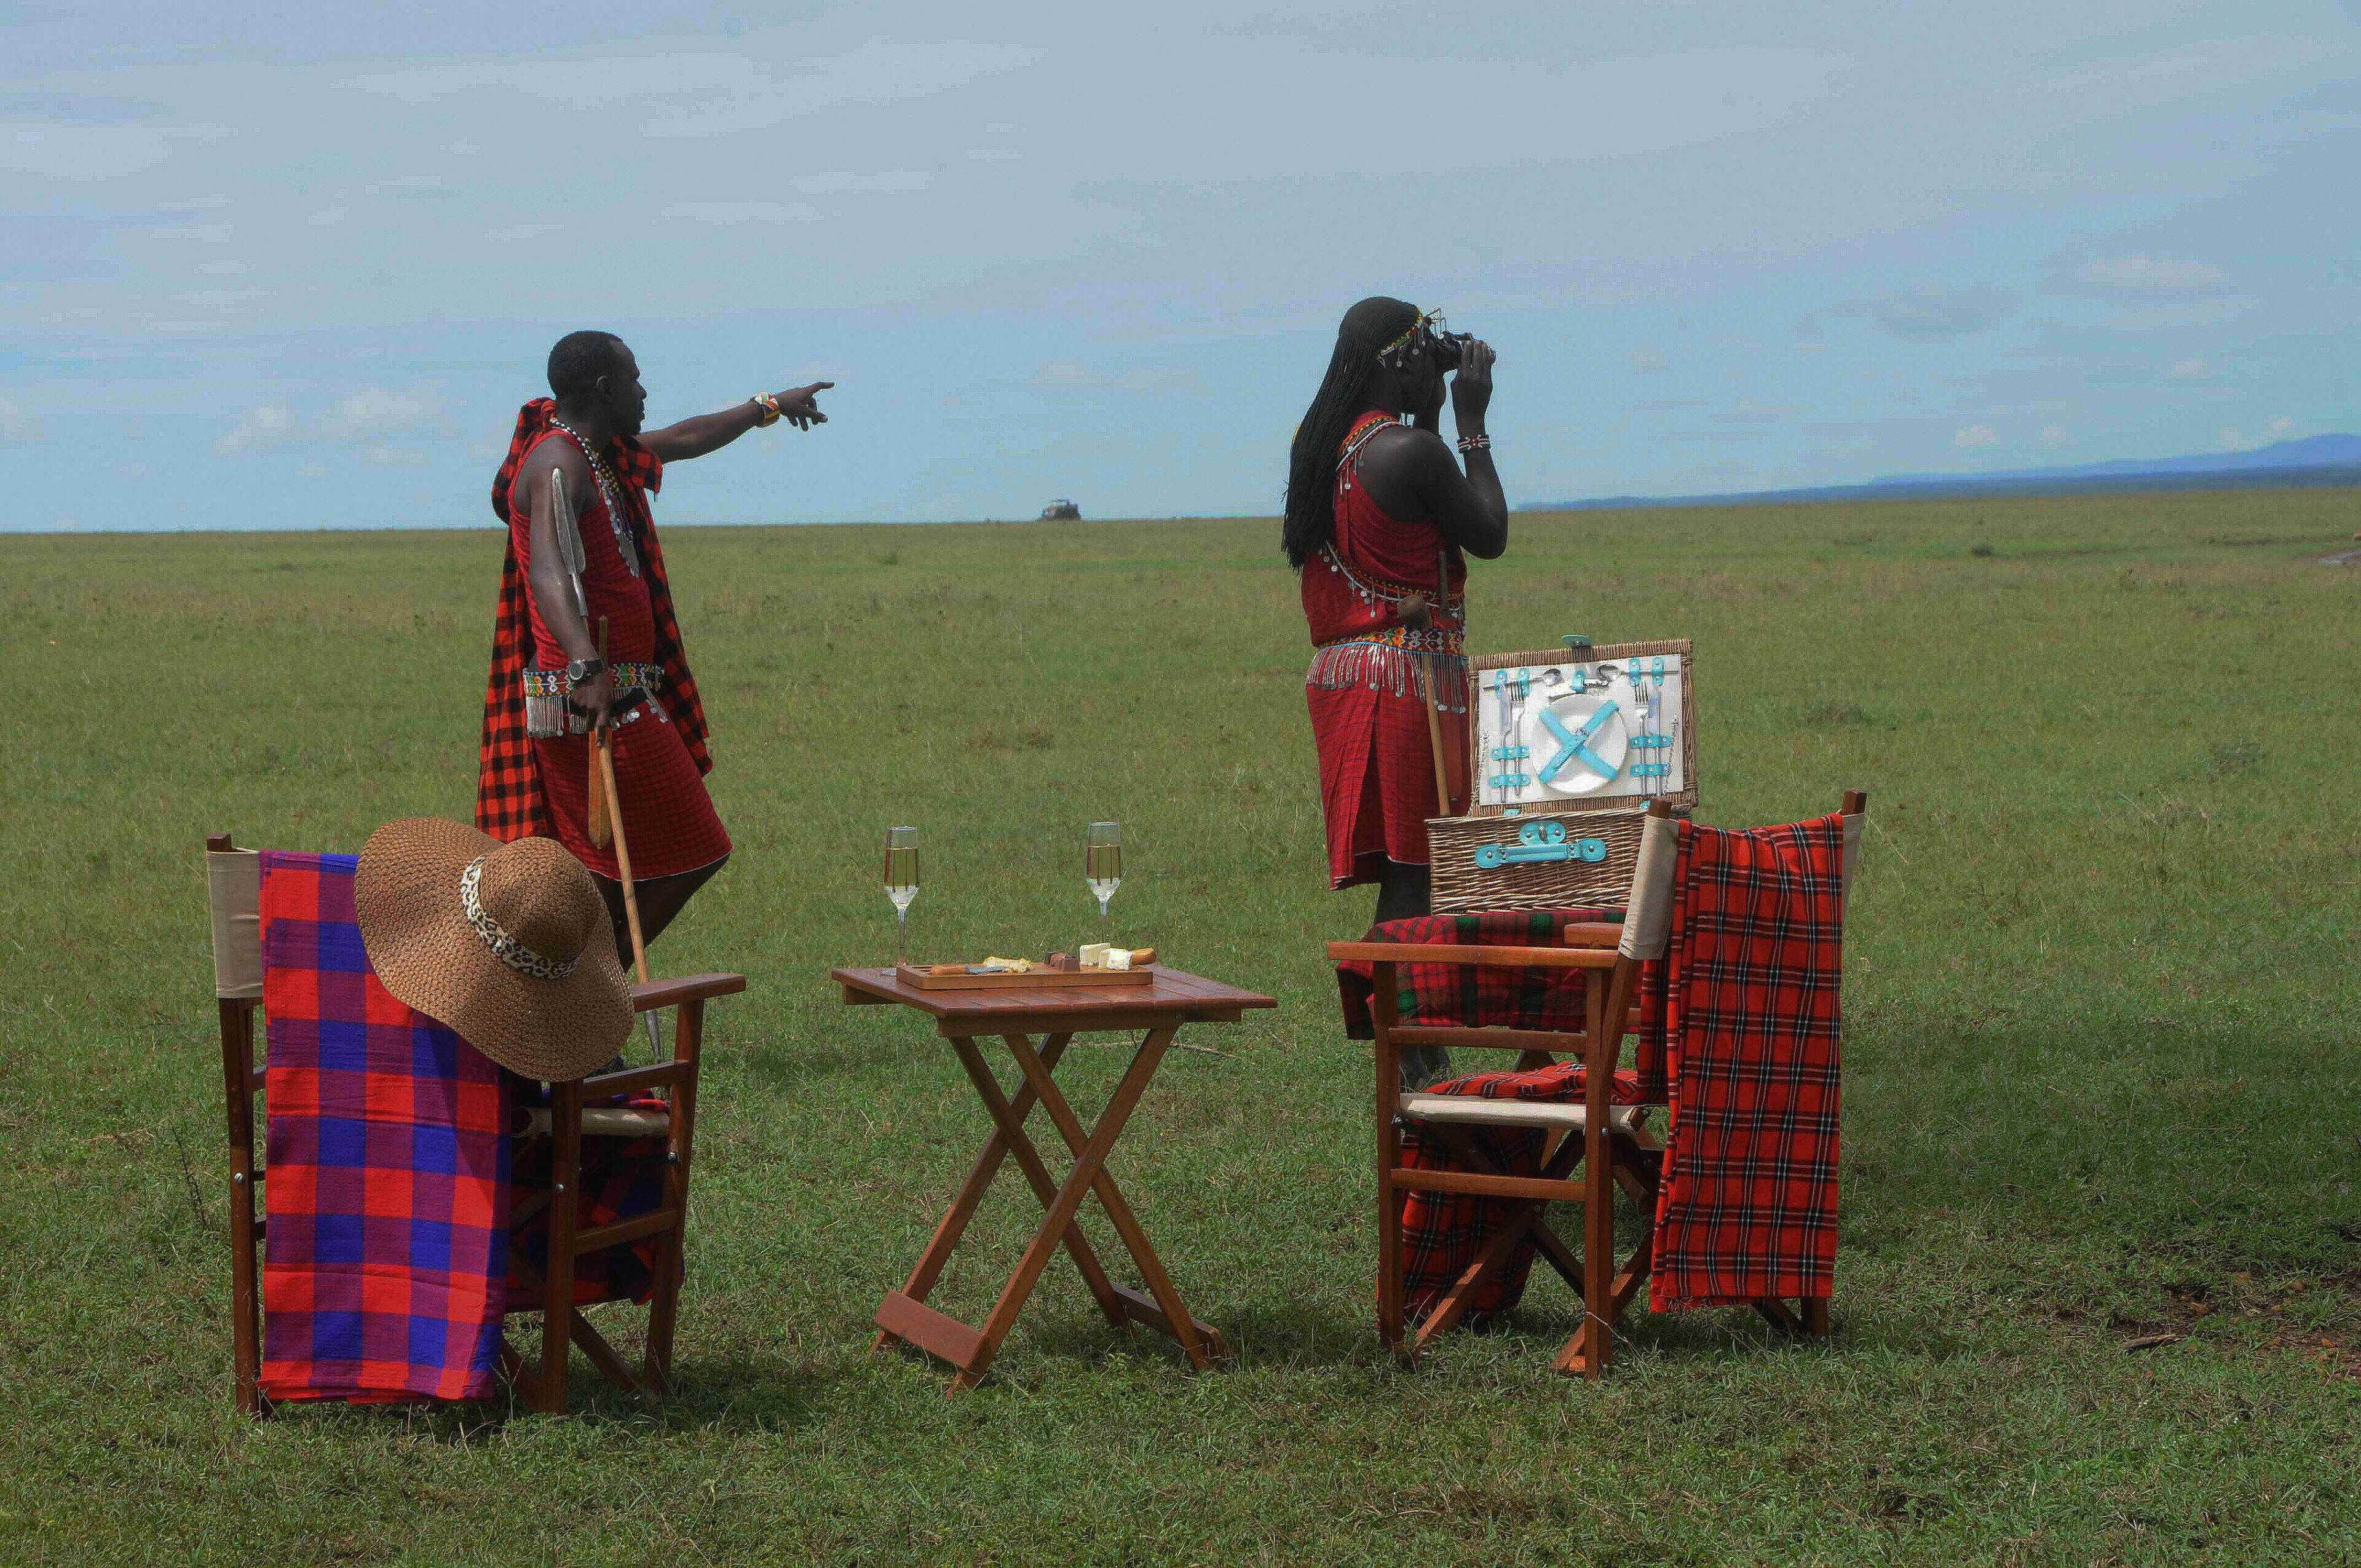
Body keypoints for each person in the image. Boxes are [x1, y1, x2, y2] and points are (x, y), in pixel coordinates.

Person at [479, 330, 831, 960]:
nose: (644, 392)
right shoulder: (557, 462)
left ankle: (575, 998)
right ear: (606, 388)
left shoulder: (596, 451)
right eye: (635, 380)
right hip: (586, 699)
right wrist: (586, 660)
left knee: (608, 871)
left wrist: (769, 406)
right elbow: (549, 570)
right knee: (690, 848)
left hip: (617, 692)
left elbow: (688, 438)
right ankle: (583, 987)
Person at [1287, 298, 1505, 1085]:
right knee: (1419, 875)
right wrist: (1472, 422)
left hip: (1351, 677)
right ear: (1398, 360)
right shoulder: (1411, 451)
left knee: (1415, 873)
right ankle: (1414, 1075)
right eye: (1423, 353)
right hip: (1407, 679)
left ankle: (1419, 1062)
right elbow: (1486, 530)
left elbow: (1419, 525)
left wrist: (1434, 418)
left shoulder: (1332, 449)